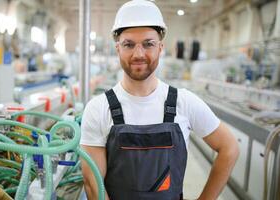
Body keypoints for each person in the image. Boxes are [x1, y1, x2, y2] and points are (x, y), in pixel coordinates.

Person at [80, 0, 239, 200]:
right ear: (117, 48)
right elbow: (93, 185)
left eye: (148, 44)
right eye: (128, 44)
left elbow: (229, 147)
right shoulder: (98, 108)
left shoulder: (184, 102)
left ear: (161, 47)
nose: (139, 54)